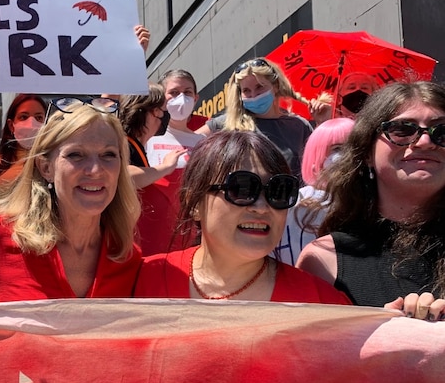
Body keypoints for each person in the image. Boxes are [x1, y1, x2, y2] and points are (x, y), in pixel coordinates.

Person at [135, 130, 350, 304]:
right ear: (195, 204)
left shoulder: (322, 304)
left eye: (279, 190)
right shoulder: (138, 283)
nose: (262, 206)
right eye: (242, 188)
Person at [297, 82, 445, 319]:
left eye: (442, 131)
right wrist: (373, 335)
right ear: (366, 152)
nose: (425, 142)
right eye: (403, 130)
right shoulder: (325, 260)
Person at [0, 100, 142, 301]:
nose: (96, 170)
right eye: (76, 155)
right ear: (46, 168)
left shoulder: (128, 258)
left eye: (108, 154)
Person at [198, 58, 313, 178]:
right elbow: (189, 143)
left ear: (276, 86)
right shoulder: (228, 123)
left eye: (259, 87)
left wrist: (323, 121)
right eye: (246, 90)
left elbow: (318, 166)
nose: (253, 95)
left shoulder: (299, 126)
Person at [274, 118, 354, 265]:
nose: (349, 155)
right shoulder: (295, 204)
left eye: (354, 147)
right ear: (318, 157)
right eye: (337, 148)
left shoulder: (373, 202)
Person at [118, 82, 185, 255]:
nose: (163, 117)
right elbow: (125, 177)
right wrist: (165, 167)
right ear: (151, 111)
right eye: (162, 111)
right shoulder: (123, 142)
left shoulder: (136, 145)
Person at [0, 94, 47, 198]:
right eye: (23, 117)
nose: (31, 124)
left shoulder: (52, 163)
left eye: (39, 118)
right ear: (11, 125)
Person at [161, 69, 209, 134]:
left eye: (187, 92)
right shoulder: (148, 135)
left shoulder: (209, 126)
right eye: (174, 92)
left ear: (195, 99)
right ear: (161, 98)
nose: (182, 98)